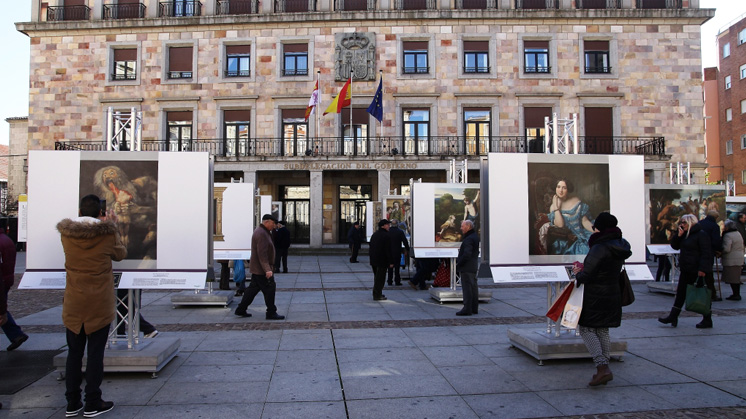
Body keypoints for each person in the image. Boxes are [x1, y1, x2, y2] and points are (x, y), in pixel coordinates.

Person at [57, 194, 127, 417]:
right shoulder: (106, 235)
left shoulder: (67, 235)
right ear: (101, 213)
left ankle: (72, 402)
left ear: (79, 211)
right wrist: (113, 227)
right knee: (95, 354)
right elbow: (121, 254)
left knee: (73, 354)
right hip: (98, 301)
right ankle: (93, 401)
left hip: (74, 302)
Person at [571, 212, 631, 387]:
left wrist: (578, 273)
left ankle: (602, 367)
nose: (593, 230)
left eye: (594, 227)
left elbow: (587, 275)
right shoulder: (620, 245)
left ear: (600, 228)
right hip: (612, 293)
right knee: (603, 330)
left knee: (587, 329)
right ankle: (604, 368)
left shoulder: (599, 247)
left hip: (595, 295)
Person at [658, 214, 714, 329]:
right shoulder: (685, 235)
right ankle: (673, 316)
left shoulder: (701, 235)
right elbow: (675, 246)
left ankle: (707, 318)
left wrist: (702, 269)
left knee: (701, 293)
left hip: (697, 269)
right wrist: (678, 236)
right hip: (686, 269)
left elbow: (706, 253)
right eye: (681, 222)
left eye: (684, 222)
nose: (681, 224)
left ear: (691, 222)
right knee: (681, 294)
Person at [234, 214, 285, 320]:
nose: (275, 225)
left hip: (258, 268)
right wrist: (267, 269)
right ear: (267, 222)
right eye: (273, 223)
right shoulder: (262, 233)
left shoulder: (263, 232)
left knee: (252, 290)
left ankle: (241, 309)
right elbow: (262, 254)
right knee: (270, 289)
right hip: (261, 270)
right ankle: (271, 312)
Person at [0, 218, 27, 351]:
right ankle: (16, 334)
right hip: (7, 278)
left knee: (1, 309)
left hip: (2, 280)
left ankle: (16, 334)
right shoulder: (6, 239)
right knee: (1, 308)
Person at [548, 178, 594, 255]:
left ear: (568, 189)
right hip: (570, 239)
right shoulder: (553, 207)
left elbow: (584, 221)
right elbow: (560, 225)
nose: (561, 190)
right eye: (558, 187)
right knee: (585, 251)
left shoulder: (575, 200)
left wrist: (595, 230)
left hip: (584, 233)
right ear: (555, 188)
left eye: (564, 188)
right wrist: (556, 207)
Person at [456, 219, 480, 316]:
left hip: (467, 267)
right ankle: (474, 307)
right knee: (473, 287)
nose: (461, 228)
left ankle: (467, 308)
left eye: (462, 226)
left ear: (468, 226)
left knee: (467, 288)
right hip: (473, 266)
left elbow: (467, 254)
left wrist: (459, 263)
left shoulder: (469, 239)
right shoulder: (474, 236)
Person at [698, 210, 722, 301]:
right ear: (715, 217)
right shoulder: (714, 226)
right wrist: (718, 250)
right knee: (708, 273)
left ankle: (698, 292)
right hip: (708, 252)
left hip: (698, 251)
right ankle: (711, 294)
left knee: (699, 272)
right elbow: (716, 241)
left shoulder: (700, 223)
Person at [369, 219, 393, 301]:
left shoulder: (375, 234)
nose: (389, 226)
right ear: (383, 226)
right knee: (380, 278)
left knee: (377, 277)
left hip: (374, 260)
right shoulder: (386, 235)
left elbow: (371, 247)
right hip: (382, 260)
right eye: (387, 225)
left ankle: (377, 293)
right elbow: (388, 250)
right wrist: (390, 261)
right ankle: (377, 295)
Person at [721, 220, 744, 301]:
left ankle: (736, 294)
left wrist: (720, 251)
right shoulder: (738, 233)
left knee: (732, 278)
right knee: (736, 278)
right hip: (738, 258)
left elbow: (727, 249)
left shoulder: (728, 235)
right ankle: (736, 294)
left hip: (731, 259)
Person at [387, 219, 410, 286]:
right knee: (397, 267)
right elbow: (405, 241)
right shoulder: (400, 232)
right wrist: (407, 249)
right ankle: (397, 281)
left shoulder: (388, 231)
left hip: (389, 251)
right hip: (397, 251)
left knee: (390, 267)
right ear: (397, 224)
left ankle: (389, 281)